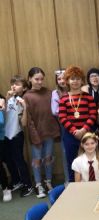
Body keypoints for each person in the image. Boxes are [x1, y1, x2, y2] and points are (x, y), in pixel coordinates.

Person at [24, 67, 60, 198]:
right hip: (36, 135)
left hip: (49, 132)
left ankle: (48, 181)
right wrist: (35, 137)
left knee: (48, 158)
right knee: (37, 160)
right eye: (36, 79)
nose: (39, 82)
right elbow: (29, 120)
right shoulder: (27, 96)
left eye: (41, 79)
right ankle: (38, 184)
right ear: (30, 79)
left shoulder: (49, 92)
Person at [58, 66, 97, 182]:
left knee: (90, 161)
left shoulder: (88, 97)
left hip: (87, 134)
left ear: (82, 81)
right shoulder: (63, 98)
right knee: (72, 162)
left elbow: (93, 115)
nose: (75, 81)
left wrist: (83, 130)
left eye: (78, 78)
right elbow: (62, 117)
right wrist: (75, 131)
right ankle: (73, 185)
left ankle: (90, 183)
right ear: (67, 81)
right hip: (70, 136)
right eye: (72, 79)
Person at [4, 76, 32, 197]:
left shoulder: (22, 100)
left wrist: (24, 107)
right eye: (12, 84)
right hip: (6, 134)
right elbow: (3, 113)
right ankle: (17, 181)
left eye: (17, 84)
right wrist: (6, 98)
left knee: (19, 160)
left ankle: (28, 185)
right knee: (9, 160)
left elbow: (24, 123)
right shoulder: (9, 98)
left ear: (24, 88)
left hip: (16, 134)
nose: (14, 86)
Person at [51, 69, 69, 185]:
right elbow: (54, 111)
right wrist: (68, 111)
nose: (62, 81)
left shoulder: (74, 89)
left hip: (79, 124)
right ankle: (68, 180)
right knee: (65, 153)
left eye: (64, 78)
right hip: (64, 125)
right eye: (59, 79)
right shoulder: (55, 93)